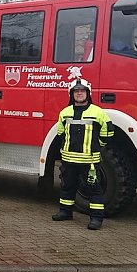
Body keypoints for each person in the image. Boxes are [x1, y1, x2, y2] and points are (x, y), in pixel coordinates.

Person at [51, 78, 114, 230]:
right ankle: (65, 212)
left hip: (89, 160)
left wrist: (97, 146)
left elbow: (108, 132)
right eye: (76, 91)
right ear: (71, 94)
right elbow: (61, 134)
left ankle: (96, 218)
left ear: (88, 93)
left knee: (93, 189)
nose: (79, 93)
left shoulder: (98, 112)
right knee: (67, 186)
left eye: (82, 91)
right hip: (68, 159)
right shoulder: (65, 113)